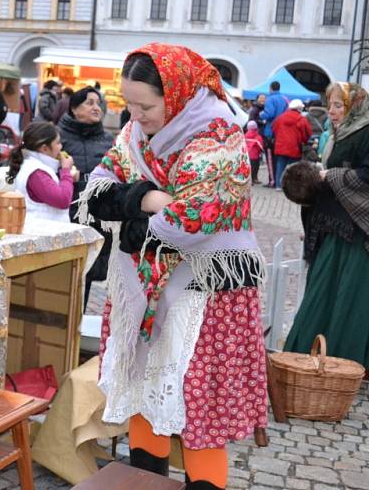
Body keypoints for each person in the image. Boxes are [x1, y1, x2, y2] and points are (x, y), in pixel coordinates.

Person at [77, 44, 266, 490]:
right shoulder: (135, 137)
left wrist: (133, 215)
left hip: (207, 299)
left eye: (146, 105)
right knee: (145, 395)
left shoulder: (219, 139)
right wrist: (145, 198)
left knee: (199, 413)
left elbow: (189, 220)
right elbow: (96, 191)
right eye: (129, 105)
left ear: (178, 94)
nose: (136, 116)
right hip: (147, 294)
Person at [283, 82, 369, 371]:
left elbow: (367, 176)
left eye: (338, 106)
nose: (331, 112)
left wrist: (330, 174)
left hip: (353, 232)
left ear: (354, 106)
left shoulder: (366, 131)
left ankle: (342, 364)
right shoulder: (337, 134)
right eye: (330, 105)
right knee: (321, 292)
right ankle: (306, 356)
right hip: (329, 227)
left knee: (347, 297)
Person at [57, 86, 115, 309]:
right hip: (66, 212)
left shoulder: (108, 139)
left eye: (97, 103)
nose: (96, 107)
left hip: (97, 215)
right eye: (89, 102)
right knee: (62, 274)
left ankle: (77, 330)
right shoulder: (58, 136)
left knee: (89, 272)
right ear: (74, 108)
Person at [6, 121, 77, 222]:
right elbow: (63, 200)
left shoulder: (33, 165)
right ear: (44, 148)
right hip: (44, 231)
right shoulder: (37, 173)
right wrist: (66, 171)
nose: (61, 147)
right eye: (58, 143)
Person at [272, 98, 312, 188]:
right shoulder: (301, 119)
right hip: (294, 147)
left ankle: (279, 185)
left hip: (281, 146)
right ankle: (291, 187)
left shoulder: (280, 117)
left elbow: (274, 128)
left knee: (280, 165)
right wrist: (304, 140)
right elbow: (307, 132)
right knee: (293, 167)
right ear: (299, 108)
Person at [259, 81, 288, 187]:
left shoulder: (270, 99)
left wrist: (261, 114)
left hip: (270, 131)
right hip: (282, 131)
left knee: (270, 158)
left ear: (271, 88)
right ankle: (278, 180)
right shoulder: (285, 99)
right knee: (279, 158)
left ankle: (273, 181)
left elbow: (269, 113)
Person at [244, 120, 264, 184]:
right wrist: (260, 151)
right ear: (256, 128)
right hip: (255, 155)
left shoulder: (245, 136)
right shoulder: (258, 137)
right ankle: (254, 178)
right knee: (255, 168)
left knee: (249, 168)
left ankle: (249, 180)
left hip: (247, 155)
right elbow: (260, 147)